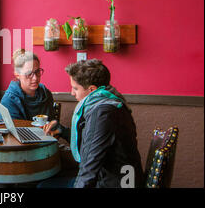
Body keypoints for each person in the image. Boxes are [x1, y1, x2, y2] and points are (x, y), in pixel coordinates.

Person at [40, 59, 144, 188]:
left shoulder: (102, 113)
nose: (72, 93)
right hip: (121, 178)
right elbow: (93, 141)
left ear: (91, 89)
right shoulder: (110, 102)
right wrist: (62, 131)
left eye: (75, 88)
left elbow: (89, 166)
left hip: (116, 183)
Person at [0, 49, 56, 121]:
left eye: (37, 71)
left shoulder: (46, 93)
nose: (35, 78)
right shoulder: (9, 100)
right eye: (28, 74)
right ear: (17, 74)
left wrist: (55, 125)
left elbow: (52, 122)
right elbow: (14, 131)